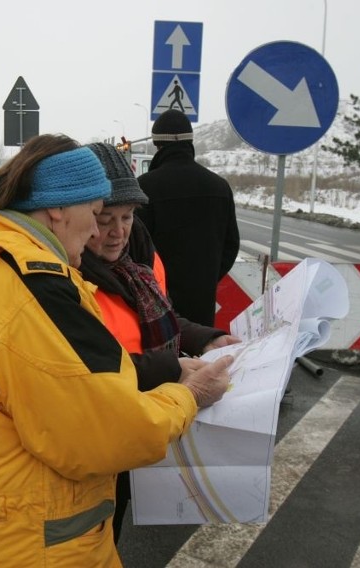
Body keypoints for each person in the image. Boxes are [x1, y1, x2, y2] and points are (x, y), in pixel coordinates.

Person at [0, 133, 234, 567]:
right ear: (58, 208)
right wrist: (190, 395)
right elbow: (109, 431)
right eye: (96, 213)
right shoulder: (33, 290)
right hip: (33, 547)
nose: (101, 230)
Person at [82, 142, 240, 543]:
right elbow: (83, 366)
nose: (118, 231)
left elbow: (158, 318)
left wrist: (207, 337)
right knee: (94, 533)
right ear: (79, 216)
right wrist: (172, 368)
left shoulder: (137, 259)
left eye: (128, 216)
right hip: (96, 431)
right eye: (105, 219)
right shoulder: (67, 275)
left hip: (141, 418)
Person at [137, 109, 240, 327]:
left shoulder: (145, 187)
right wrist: (207, 277)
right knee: (200, 356)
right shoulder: (219, 187)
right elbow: (231, 245)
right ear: (190, 142)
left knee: (165, 359)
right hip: (202, 306)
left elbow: (136, 248)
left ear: (157, 145)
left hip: (155, 304)